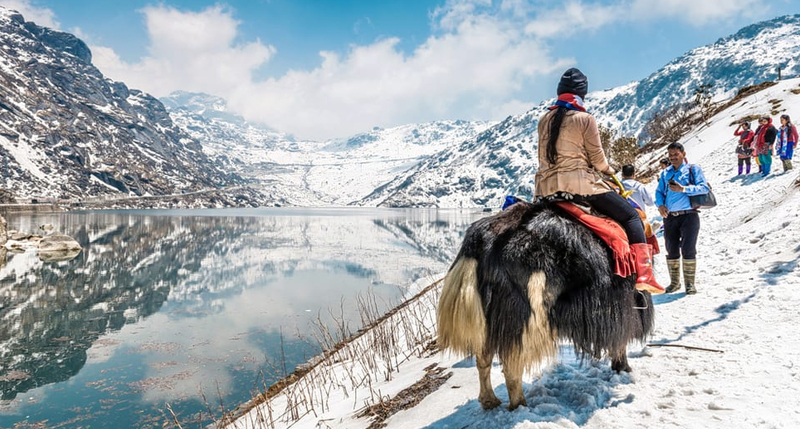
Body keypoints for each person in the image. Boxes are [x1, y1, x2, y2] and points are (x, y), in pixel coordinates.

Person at [535, 67, 663, 293]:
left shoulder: (545, 118)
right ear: (581, 94)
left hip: (546, 189)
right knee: (632, 216)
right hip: (581, 187)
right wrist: (610, 170)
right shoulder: (585, 119)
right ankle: (644, 275)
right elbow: (598, 160)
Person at [655, 142, 710, 295]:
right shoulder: (666, 173)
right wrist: (660, 205)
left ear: (683, 154)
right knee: (671, 248)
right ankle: (674, 283)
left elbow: (703, 187)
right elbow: (659, 192)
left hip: (689, 215)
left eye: (675, 154)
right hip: (670, 217)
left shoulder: (693, 169)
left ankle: (690, 284)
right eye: (670, 155)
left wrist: (684, 189)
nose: (673, 157)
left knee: (688, 249)